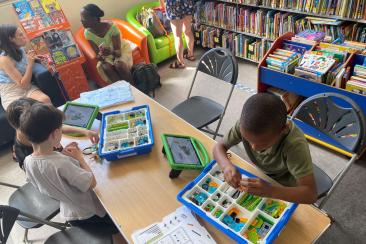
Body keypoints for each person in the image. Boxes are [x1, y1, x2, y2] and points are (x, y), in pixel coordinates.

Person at [20, 103, 125, 242]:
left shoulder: (28, 161)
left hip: (70, 211)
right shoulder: (61, 163)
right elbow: (91, 182)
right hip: (89, 213)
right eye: (60, 129)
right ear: (56, 134)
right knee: (117, 230)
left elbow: (46, 177)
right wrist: (80, 159)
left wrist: (63, 154)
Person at [213, 93, 317, 204]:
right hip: (261, 174)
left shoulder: (294, 145)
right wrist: (226, 166)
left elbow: (310, 195)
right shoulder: (246, 125)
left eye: (263, 143)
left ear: (283, 130)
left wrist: (270, 191)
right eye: (248, 140)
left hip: (284, 187)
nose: (254, 147)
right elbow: (219, 147)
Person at [6, 97, 99, 169]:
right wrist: (75, 158)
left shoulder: (31, 130)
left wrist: (84, 131)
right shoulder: (33, 159)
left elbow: (55, 127)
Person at [0, 24, 51, 110]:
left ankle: (55, 122)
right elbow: (23, 85)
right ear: (11, 39)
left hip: (27, 87)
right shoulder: (4, 60)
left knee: (45, 100)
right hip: (12, 91)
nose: (24, 36)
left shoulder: (21, 49)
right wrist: (30, 65)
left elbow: (24, 63)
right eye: (20, 35)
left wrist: (36, 59)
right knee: (24, 112)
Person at [80, 4, 133, 83]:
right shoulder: (88, 34)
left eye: (84, 18)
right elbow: (98, 54)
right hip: (107, 55)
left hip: (120, 49)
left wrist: (111, 51)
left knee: (119, 65)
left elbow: (118, 53)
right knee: (106, 67)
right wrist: (100, 56)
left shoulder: (112, 28)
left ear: (94, 18)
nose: (81, 21)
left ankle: (134, 87)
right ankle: (122, 90)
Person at [160, 0, 195, 69]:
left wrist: (163, 6)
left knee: (177, 36)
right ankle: (190, 55)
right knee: (188, 31)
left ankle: (180, 62)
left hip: (173, 4)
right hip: (187, 2)